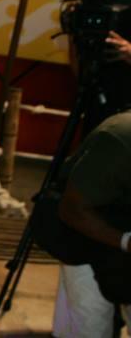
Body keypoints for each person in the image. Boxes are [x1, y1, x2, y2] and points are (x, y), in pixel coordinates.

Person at [48, 110, 131, 338]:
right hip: (84, 235)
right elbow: (72, 209)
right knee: (90, 327)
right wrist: (126, 241)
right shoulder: (119, 139)